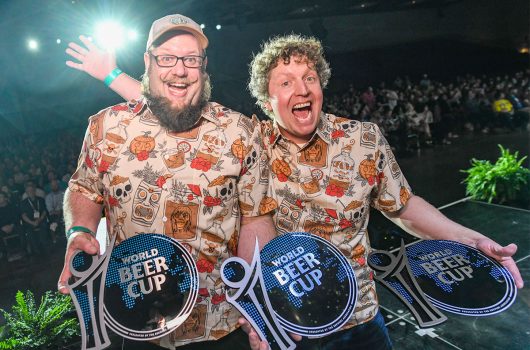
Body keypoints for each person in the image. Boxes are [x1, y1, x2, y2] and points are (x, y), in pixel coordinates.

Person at [64, 33, 523, 350]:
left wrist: (466, 237)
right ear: (267, 100)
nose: (301, 89)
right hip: (286, 326)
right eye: (285, 82)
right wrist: (111, 74)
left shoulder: (363, 138)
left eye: (309, 78)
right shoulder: (248, 138)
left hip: (361, 317)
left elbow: (405, 207)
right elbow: (177, 104)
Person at [58, 14, 276, 350]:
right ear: (148, 63)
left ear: (203, 67)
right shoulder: (106, 127)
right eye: (167, 58)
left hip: (221, 326)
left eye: (191, 59)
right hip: (137, 325)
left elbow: (256, 218)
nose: (180, 69)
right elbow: (84, 189)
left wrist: (254, 298)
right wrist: (81, 231)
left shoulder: (239, 132)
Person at [20, 181, 49, 257]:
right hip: (30, 222)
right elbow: (23, 215)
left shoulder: (41, 199)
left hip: (41, 220)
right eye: (29, 191)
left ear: (35, 190)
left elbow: (44, 211)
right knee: (29, 232)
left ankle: (45, 248)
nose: (31, 192)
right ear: (26, 192)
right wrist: (32, 222)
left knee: (43, 227)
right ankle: (36, 251)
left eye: (32, 190)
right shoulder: (23, 202)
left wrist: (39, 220)